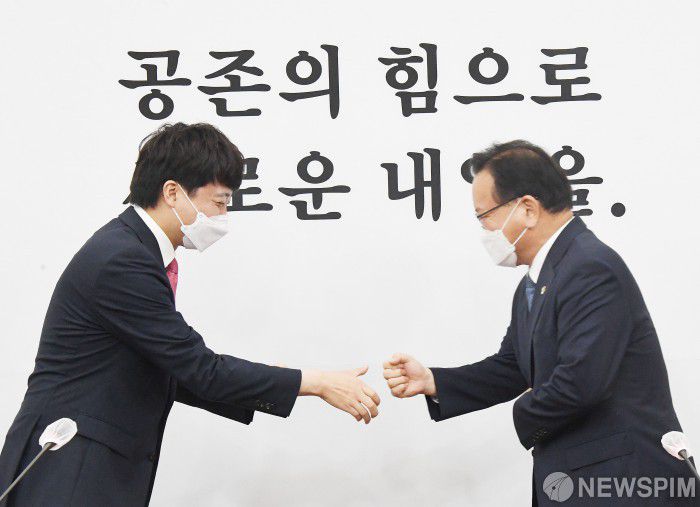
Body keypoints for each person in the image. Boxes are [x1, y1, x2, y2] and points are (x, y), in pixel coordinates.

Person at [0, 122, 380, 506]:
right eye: (220, 202)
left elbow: (173, 367)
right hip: (67, 469)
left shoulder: (134, 250)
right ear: (172, 193)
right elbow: (199, 369)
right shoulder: (123, 260)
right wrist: (314, 382)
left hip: (86, 467)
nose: (224, 215)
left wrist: (273, 379)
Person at [383, 140, 694, 505]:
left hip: (625, 482)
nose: (484, 230)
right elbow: (513, 365)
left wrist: (522, 414)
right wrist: (433, 381)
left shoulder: (590, 267)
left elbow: (581, 382)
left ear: (528, 209)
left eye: (485, 216)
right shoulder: (537, 280)